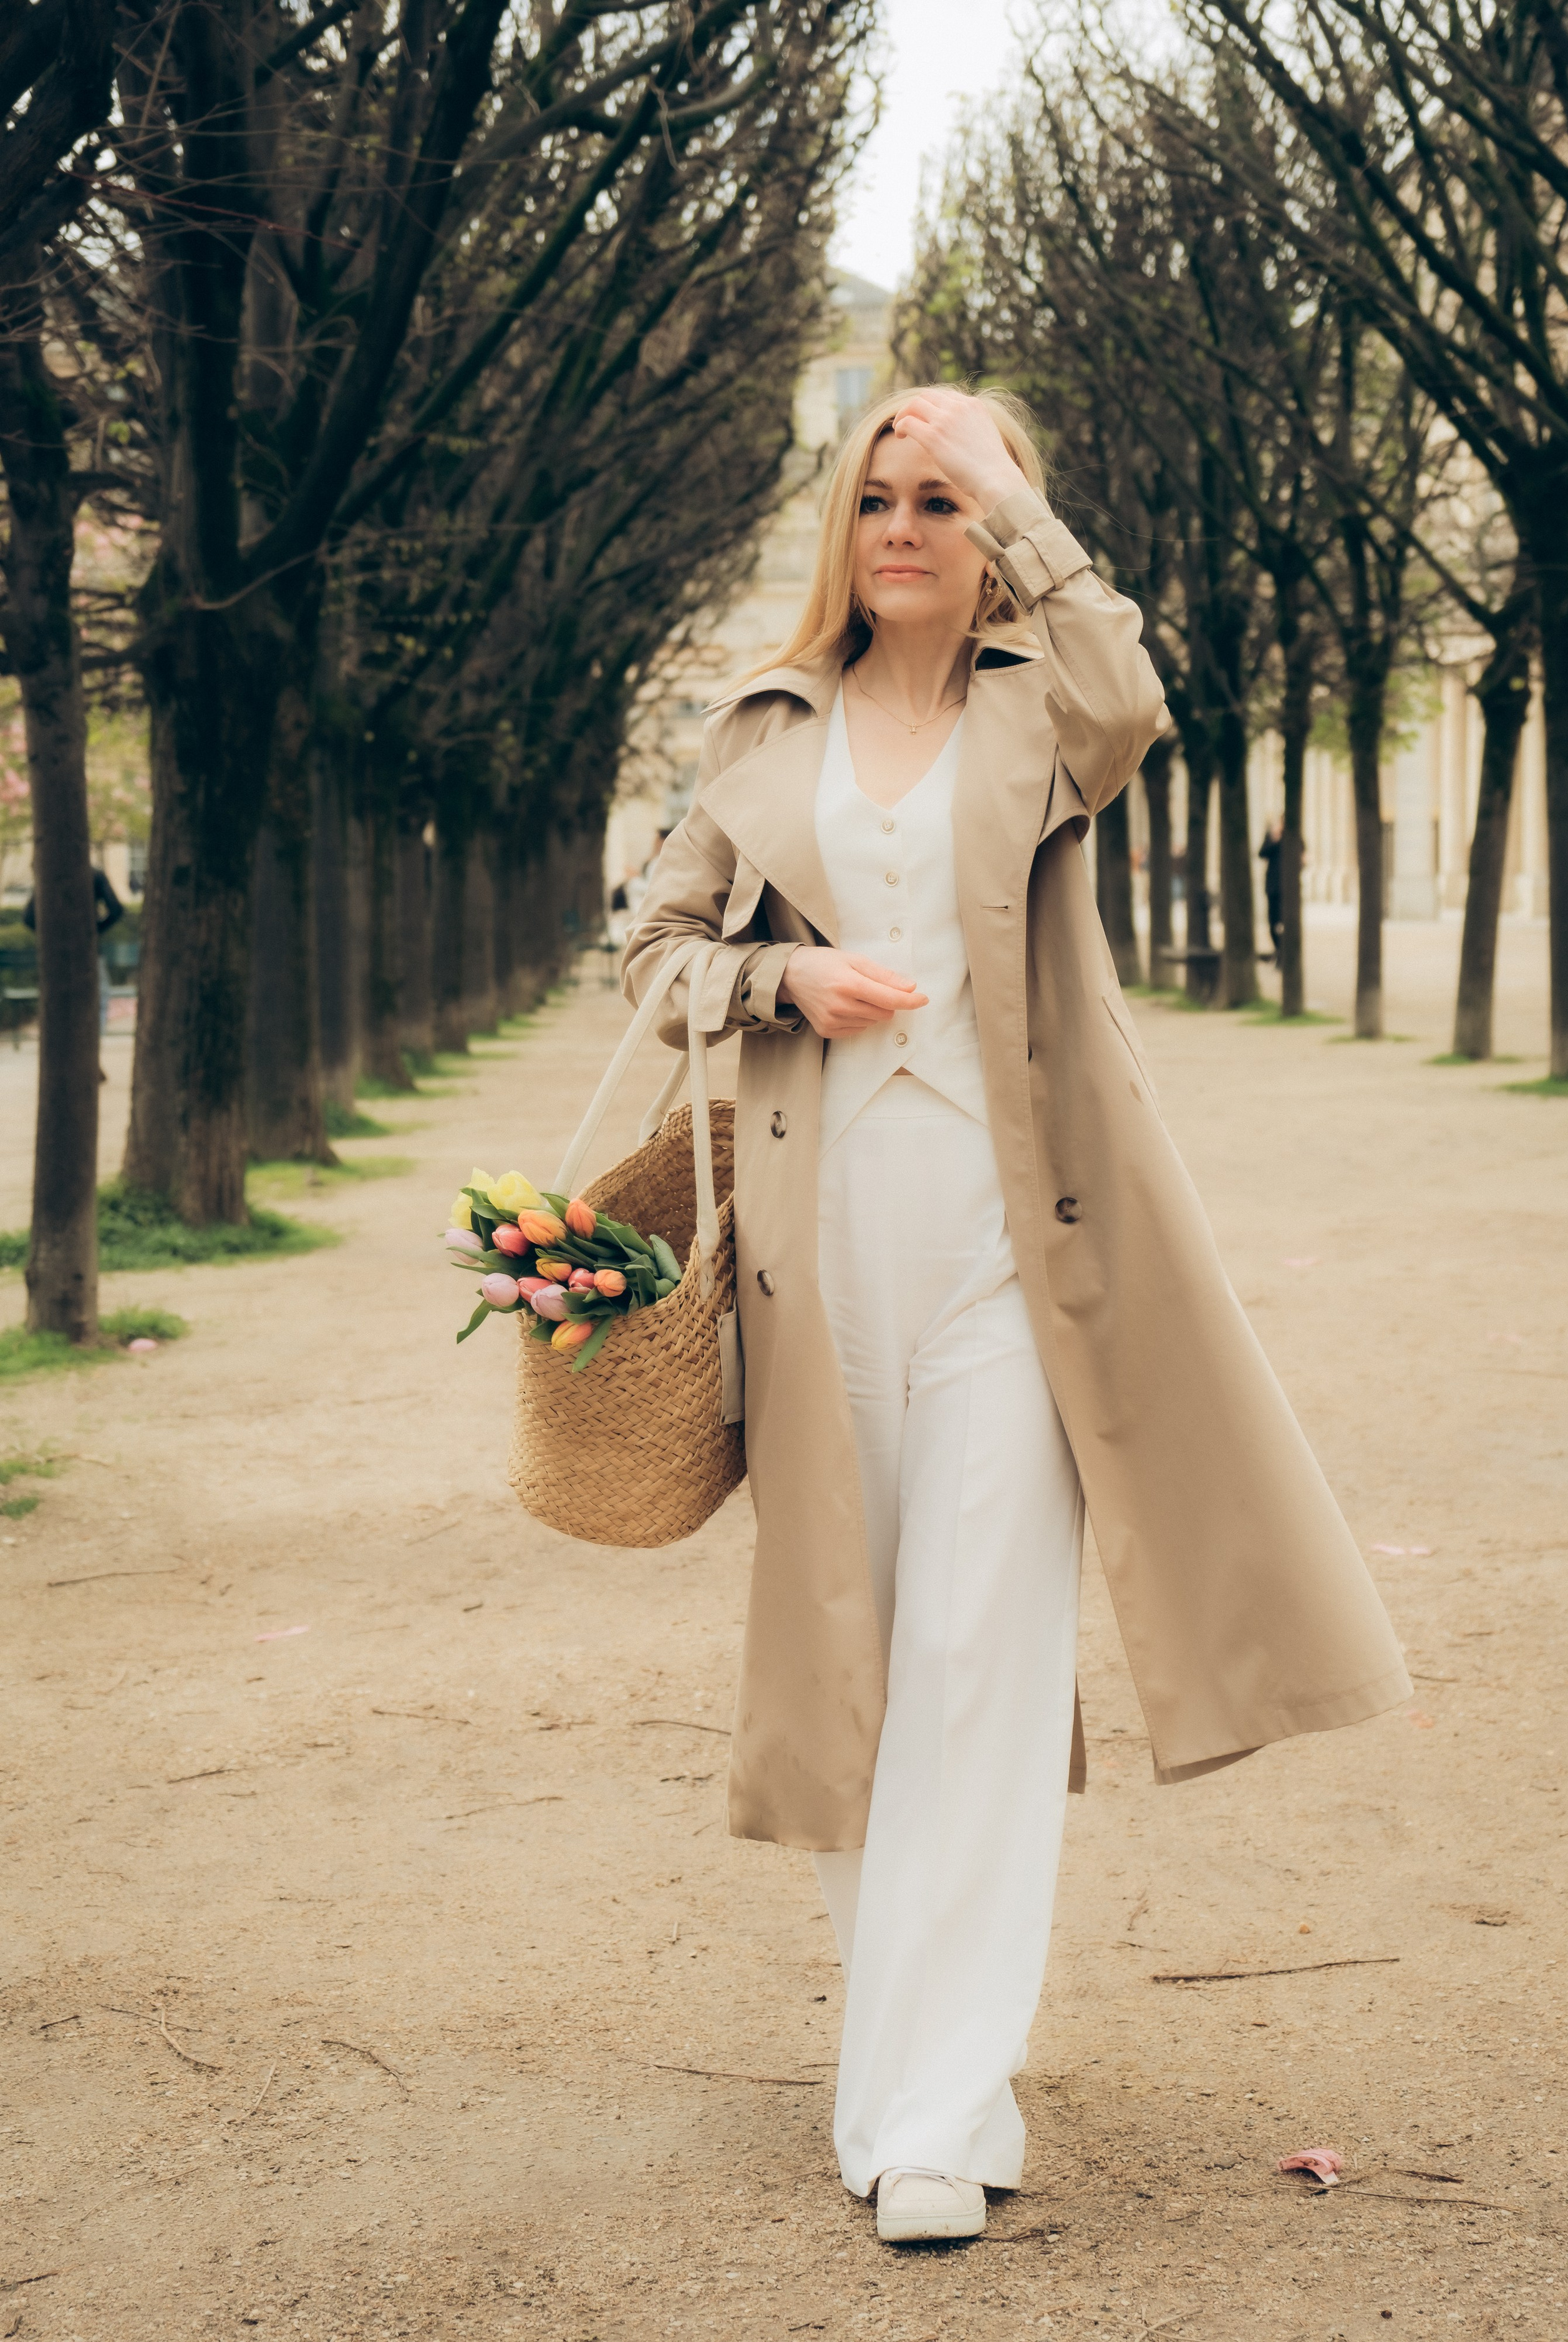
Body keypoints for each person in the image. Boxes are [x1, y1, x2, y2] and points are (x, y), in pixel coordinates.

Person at [622, 385, 1410, 2245]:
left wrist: (1013, 497)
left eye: (946, 497)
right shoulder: (761, 728)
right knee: (850, 1661)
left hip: (1014, 1249)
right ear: (843, 524)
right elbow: (652, 957)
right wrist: (779, 971)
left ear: (991, 521)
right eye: (881, 495)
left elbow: (1133, 701)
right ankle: (912, 2073)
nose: (907, 523)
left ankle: (931, 2103)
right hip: (818, 1259)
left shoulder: (1034, 706)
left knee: (983, 1659)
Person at [23, 863, 125, 1042]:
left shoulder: (49, 873)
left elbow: (29, 918)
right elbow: (116, 909)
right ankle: (93, 1040)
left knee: (60, 1001)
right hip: (89, 951)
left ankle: (62, 1041)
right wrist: (95, 930)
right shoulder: (94, 875)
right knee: (99, 997)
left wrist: (50, 936)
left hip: (56, 954)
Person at [1259, 817, 1285, 966]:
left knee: (1284, 924)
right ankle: (1279, 950)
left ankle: (1283, 955)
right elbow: (1262, 853)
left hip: (1287, 889)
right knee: (1272, 923)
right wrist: (1273, 839)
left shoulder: (1293, 838)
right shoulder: (1272, 837)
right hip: (1273, 887)